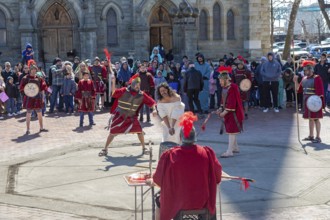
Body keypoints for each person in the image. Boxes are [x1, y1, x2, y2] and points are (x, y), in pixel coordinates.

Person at [147, 111, 222, 220]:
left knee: (158, 201)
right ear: (194, 138)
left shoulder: (169, 155)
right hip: (202, 201)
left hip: (177, 203)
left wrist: (151, 181)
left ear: (181, 138)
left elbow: (158, 180)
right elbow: (217, 175)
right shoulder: (207, 153)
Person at [99, 75, 156, 157]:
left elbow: (152, 102)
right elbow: (114, 93)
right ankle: (105, 149)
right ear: (132, 84)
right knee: (112, 133)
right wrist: (113, 82)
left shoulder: (141, 94)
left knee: (139, 131)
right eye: (136, 84)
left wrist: (154, 109)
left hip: (132, 118)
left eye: (139, 85)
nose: (137, 86)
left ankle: (144, 148)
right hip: (120, 116)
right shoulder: (123, 91)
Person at [293, 60, 324, 143]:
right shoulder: (304, 78)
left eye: (306, 70)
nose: (305, 71)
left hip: (314, 101)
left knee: (316, 119)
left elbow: (320, 92)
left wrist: (320, 104)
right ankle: (311, 136)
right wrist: (295, 81)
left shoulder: (317, 78)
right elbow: (298, 90)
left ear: (310, 70)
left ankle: (318, 137)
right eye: (304, 70)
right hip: (306, 100)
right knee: (310, 119)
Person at [217, 66, 244, 158]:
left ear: (226, 80)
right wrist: (220, 108)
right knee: (232, 130)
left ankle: (229, 151)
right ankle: (235, 147)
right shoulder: (225, 88)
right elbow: (223, 100)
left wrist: (223, 113)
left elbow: (232, 104)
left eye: (221, 80)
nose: (220, 82)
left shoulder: (233, 87)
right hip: (228, 113)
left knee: (232, 131)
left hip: (234, 114)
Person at [20, 64, 48, 134]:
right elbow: (21, 88)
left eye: (35, 69)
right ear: (30, 70)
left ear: (36, 70)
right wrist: (27, 93)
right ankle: (28, 129)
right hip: (29, 97)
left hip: (38, 97)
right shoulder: (25, 78)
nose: (33, 70)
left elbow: (44, 87)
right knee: (29, 112)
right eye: (32, 69)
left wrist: (44, 96)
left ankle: (41, 128)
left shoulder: (39, 78)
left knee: (39, 112)